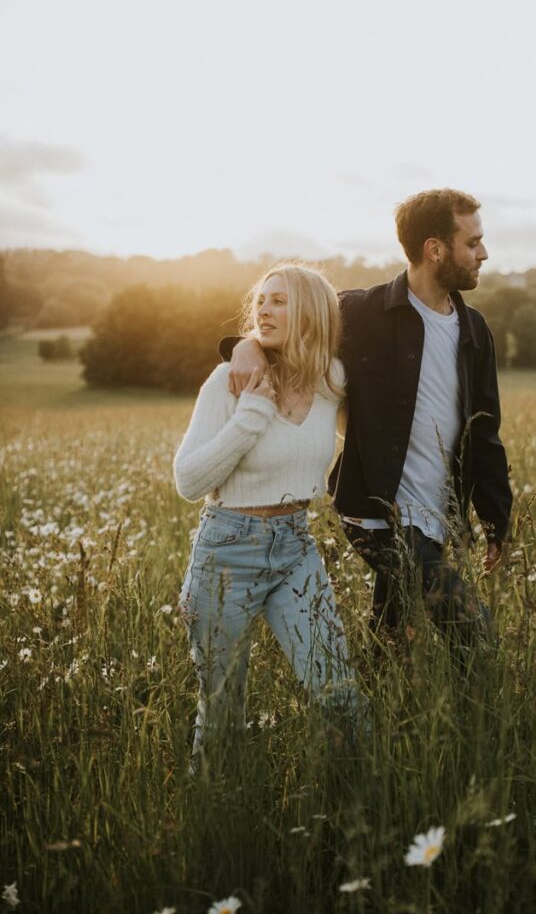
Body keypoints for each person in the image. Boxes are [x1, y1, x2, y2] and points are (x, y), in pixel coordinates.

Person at [224, 189, 512, 656]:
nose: (483, 253)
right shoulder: (359, 312)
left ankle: (369, 706)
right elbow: (283, 329)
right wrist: (247, 346)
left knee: (391, 633)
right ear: (434, 249)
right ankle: (482, 718)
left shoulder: (474, 331)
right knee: (473, 636)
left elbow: (485, 430)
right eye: (473, 242)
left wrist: (496, 517)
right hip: (374, 512)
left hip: (439, 516)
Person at [174, 262, 358, 761]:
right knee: (221, 710)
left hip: (296, 548)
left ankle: (355, 810)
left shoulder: (331, 380)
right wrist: (249, 418)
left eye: (279, 300)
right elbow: (189, 480)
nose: (263, 309)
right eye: (261, 300)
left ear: (310, 312)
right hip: (227, 551)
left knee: (337, 692)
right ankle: (212, 824)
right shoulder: (229, 380)